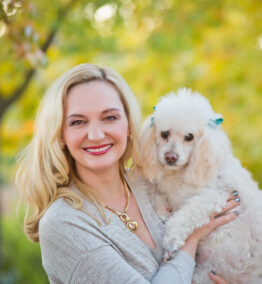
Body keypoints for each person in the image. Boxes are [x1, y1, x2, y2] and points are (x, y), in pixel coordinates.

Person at [16, 63, 240, 283]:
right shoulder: (63, 224)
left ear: (129, 124)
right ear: (60, 135)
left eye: (110, 117)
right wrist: (190, 242)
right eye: (78, 122)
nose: (95, 134)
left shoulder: (154, 183)